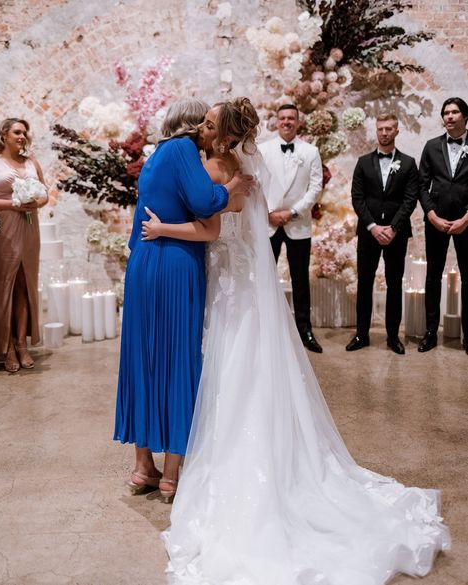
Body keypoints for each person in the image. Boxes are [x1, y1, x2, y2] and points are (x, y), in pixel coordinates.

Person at [144, 99, 449, 585]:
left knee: (237, 364)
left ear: (224, 134)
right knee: (219, 365)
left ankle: (227, 459)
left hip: (232, 285)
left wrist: (183, 217)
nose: (199, 127)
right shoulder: (218, 163)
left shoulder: (231, 169)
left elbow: (220, 225)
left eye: (208, 123)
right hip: (220, 279)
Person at [113, 98, 253, 500]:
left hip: (143, 261)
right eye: (203, 124)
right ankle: (172, 474)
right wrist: (231, 187)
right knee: (179, 360)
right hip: (174, 265)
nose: (203, 134)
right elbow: (208, 204)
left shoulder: (160, 154)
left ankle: (143, 467)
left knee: (143, 359)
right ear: (193, 125)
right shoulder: (183, 150)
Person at [346, 113, 419, 354]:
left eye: (389, 128)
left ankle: (392, 337)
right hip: (369, 234)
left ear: (397, 131)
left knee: (394, 284)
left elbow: (410, 200)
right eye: (381, 128)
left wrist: (393, 228)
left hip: (396, 235)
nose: (385, 132)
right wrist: (373, 227)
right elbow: (357, 198)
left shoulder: (408, 163)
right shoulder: (363, 162)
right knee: (365, 283)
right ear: (376, 131)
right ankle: (362, 334)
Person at [259, 104, 323, 353]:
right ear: (276, 122)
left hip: (298, 224)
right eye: (282, 118)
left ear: (298, 123)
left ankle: (304, 330)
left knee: (300, 279)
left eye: (291, 118)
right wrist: (269, 213)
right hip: (268, 224)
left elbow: (315, 188)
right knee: (265, 278)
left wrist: (293, 211)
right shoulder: (263, 151)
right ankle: (264, 330)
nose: (286, 122)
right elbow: (257, 185)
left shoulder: (310, 151)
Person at [0, 118, 48, 373]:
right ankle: (7, 348)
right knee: (6, 284)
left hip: (30, 227)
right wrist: (13, 204)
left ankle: (22, 344)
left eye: (25, 132)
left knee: (26, 284)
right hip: (5, 227)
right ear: (4, 134)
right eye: (17, 132)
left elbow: (45, 193)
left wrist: (35, 202)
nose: (22, 136)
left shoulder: (31, 161)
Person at [418, 97, 468, 354]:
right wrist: (431, 215)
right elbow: (421, 185)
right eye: (446, 113)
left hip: (467, 221)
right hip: (437, 221)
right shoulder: (431, 147)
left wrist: (467, 219)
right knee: (432, 275)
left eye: (454, 112)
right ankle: (430, 332)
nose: (449, 117)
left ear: (465, 117)